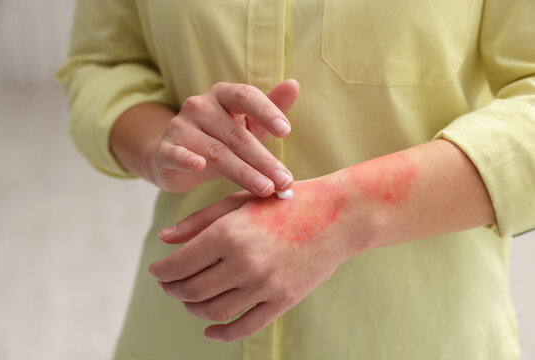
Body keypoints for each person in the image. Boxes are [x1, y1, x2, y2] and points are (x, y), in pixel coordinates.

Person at [57, 0, 535, 359]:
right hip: (183, 332)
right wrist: (164, 145)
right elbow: (104, 65)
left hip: (420, 334)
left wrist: (343, 212)